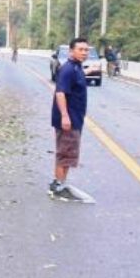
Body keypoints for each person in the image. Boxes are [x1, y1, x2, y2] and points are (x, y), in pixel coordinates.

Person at [49, 37, 90, 201]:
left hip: (75, 118)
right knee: (65, 153)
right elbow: (60, 93)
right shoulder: (68, 69)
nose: (84, 53)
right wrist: (65, 116)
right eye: (80, 49)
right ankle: (59, 187)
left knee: (67, 152)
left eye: (86, 50)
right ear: (71, 51)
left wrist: (90, 71)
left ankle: (59, 183)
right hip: (69, 119)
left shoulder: (76, 68)